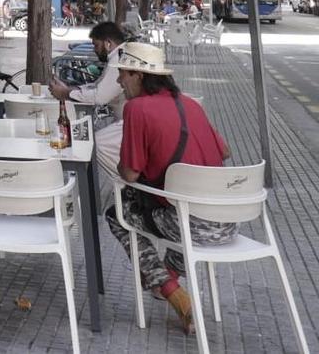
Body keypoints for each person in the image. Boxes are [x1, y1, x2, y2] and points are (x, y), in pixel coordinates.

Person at [104, 42, 235, 334]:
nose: (119, 81)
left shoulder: (136, 109)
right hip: (227, 222)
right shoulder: (190, 103)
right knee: (179, 212)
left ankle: (173, 292)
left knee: (117, 214)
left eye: (123, 74)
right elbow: (224, 151)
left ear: (138, 75)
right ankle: (167, 273)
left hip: (190, 226)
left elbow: (130, 172)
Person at [48, 21, 127, 209]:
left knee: (93, 145)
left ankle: (127, 183)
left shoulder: (118, 60)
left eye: (96, 45)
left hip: (131, 120)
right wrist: (71, 89)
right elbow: (99, 87)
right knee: (97, 144)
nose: (94, 50)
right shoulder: (119, 56)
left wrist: (66, 93)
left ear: (108, 43)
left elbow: (100, 96)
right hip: (127, 119)